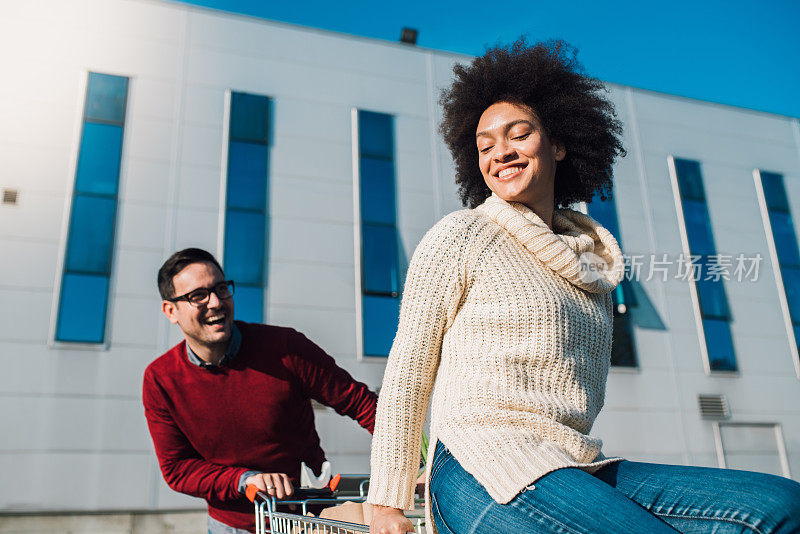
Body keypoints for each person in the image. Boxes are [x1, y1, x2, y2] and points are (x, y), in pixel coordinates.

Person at [366, 40, 800, 534]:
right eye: (485, 145)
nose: (500, 152)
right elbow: (409, 369)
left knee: (780, 505)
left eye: (519, 134)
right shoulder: (463, 235)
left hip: (569, 461)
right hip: (476, 462)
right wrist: (386, 505)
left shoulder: (593, 264)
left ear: (559, 143)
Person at [143, 248, 378, 534]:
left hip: (308, 518)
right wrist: (244, 480)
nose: (215, 302)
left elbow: (361, 403)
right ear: (171, 311)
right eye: (198, 296)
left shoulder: (285, 348)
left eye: (220, 289)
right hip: (229, 526)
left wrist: (411, 462)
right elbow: (178, 469)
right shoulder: (160, 380)